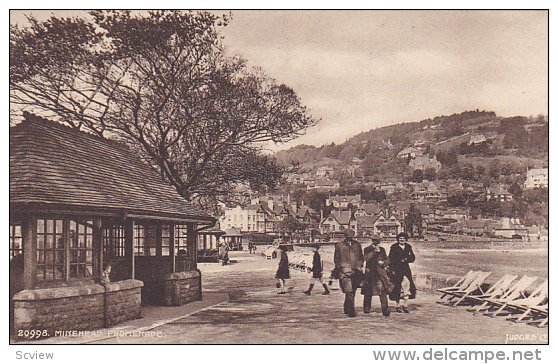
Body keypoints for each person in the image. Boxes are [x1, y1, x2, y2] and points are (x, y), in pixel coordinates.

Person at [334, 228, 364, 317]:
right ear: (345, 236)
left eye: (351, 237)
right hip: (344, 272)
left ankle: (347, 306)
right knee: (348, 290)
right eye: (348, 237)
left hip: (356, 271)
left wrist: (359, 266)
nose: (349, 239)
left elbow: (361, 257)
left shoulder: (357, 245)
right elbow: (336, 259)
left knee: (353, 291)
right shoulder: (339, 245)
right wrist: (342, 268)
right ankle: (351, 310)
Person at [361, 235, 394, 316]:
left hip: (380, 273)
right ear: (372, 241)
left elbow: (387, 259)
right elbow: (366, 258)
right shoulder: (367, 249)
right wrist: (374, 252)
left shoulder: (382, 249)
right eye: (375, 241)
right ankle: (366, 308)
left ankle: (385, 309)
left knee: (382, 291)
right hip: (370, 273)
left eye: (378, 241)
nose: (377, 243)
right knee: (368, 291)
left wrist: (384, 263)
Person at [388, 232, 416, 313]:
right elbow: (390, 258)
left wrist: (406, 259)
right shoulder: (394, 247)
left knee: (407, 285)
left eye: (403, 239)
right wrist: (392, 269)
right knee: (397, 287)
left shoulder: (408, 247)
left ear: (406, 239)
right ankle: (398, 305)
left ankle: (405, 305)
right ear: (398, 239)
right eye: (400, 239)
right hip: (396, 269)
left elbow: (412, 257)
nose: (402, 240)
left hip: (405, 269)